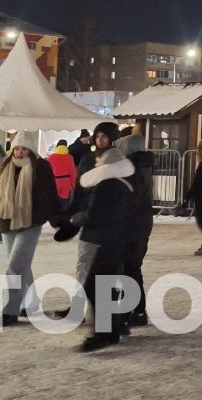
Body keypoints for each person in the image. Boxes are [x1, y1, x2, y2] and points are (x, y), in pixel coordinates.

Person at [0, 131, 60, 327]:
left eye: (24, 148)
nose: (19, 152)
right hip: (5, 221)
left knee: (15, 266)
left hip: (30, 222)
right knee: (21, 265)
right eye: (16, 148)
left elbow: (49, 196)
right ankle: (31, 303)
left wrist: (57, 220)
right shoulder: (2, 166)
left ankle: (11, 309)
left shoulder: (41, 167)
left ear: (31, 150)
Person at [47, 121, 120, 322]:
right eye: (98, 136)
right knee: (84, 265)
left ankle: (111, 317)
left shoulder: (119, 162)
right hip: (89, 221)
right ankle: (78, 310)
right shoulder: (88, 159)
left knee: (108, 271)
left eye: (104, 136)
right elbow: (79, 189)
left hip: (110, 223)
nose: (100, 140)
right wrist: (69, 213)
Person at [77, 143, 136, 352]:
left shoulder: (108, 185)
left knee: (94, 285)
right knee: (107, 285)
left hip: (110, 241)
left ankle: (105, 332)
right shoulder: (124, 184)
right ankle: (113, 327)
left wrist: (80, 218)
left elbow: (99, 215)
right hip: (120, 240)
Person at [115, 133, 154, 329]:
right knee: (131, 268)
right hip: (141, 224)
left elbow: (128, 200)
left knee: (127, 269)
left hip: (130, 225)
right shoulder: (143, 165)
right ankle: (136, 310)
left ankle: (130, 311)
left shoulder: (131, 168)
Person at [48, 140, 78, 210]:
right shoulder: (69, 157)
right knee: (64, 202)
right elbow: (73, 173)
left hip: (54, 182)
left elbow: (47, 172)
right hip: (66, 182)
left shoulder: (51, 157)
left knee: (54, 201)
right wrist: (73, 185)